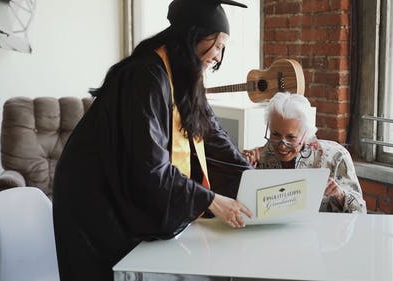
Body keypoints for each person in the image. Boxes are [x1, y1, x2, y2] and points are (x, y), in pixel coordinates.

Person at [52, 1, 253, 280]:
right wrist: (211, 200)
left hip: (120, 189)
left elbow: (212, 137)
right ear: (192, 35)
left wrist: (254, 182)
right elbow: (148, 168)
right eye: (216, 45)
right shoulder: (144, 76)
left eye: (222, 47)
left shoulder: (186, 75)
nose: (218, 57)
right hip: (95, 193)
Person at [242, 92, 366, 213]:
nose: (282, 146)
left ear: (306, 133)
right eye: (275, 134)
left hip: (323, 232)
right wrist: (244, 168)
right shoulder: (260, 156)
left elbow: (361, 211)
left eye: (291, 137)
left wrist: (340, 195)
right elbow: (244, 207)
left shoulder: (336, 157)